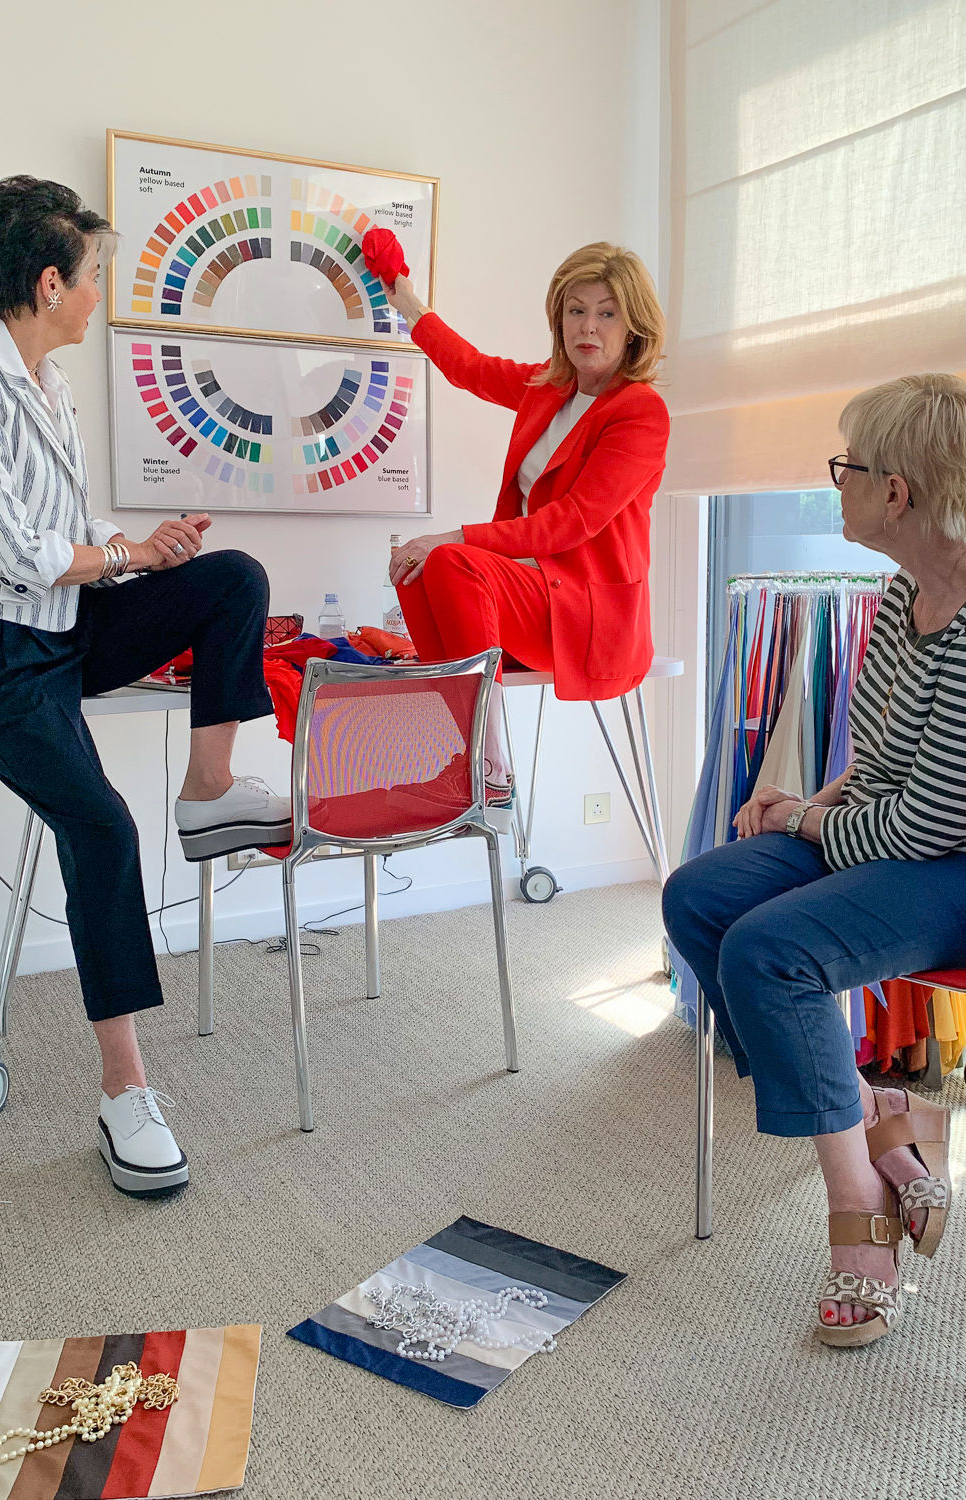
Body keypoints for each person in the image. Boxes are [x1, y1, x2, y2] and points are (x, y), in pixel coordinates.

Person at [0, 176, 291, 1198]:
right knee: (105, 830)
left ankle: (210, 788)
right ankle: (125, 1092)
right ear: (46, 281)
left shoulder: (48, 382)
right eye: (91, 275)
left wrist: (145, 557)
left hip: (56, 626)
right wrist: (118, 553)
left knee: (231, 581)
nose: (97, 292)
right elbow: (22, 549)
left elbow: (60, 549)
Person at [663, 373, 965, 1346]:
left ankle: (857, 1223)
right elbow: (879, 767)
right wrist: (808, 797)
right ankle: (875, 1117)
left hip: (953, 866)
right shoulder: (899, 593)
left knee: (769, 952)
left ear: (898, 492)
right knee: (700, 896)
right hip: (891, 836)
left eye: (847, 469)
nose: (834, 484)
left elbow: (928, 825)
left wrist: (801, 825)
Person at [383, 243, 668, 827]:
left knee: (452, 559)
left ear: (633, 325)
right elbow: (469, 366)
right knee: (422, 567)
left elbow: (572, 522)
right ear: (558, 318)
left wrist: (453, 536)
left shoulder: (640, 412)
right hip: (533, 599)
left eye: (607, 312)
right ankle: (465, 753)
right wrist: (403, 296)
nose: (587, 326)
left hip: (585, 614)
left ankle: (490, 771)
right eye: (575, 310)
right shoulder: (548, 389)